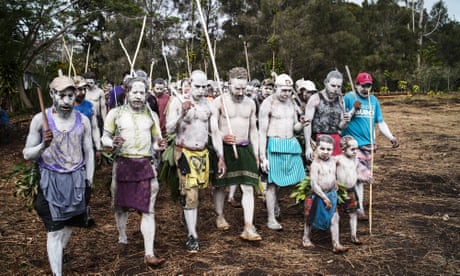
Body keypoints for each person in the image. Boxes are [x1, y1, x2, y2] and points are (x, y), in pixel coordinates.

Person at [23, 76, 95, 276]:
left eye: (70, 96)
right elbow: (26, 154)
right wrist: (42, 145)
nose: (66, 101)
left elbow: (89, 151)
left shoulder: (84, 121)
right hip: (51, 181)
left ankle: (60, 252)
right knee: (54, 230)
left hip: (77, 180)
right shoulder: (40, 120)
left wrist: (89, 179)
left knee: (71, 222)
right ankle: (57, 273)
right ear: (52, 95)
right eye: (61, 95)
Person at [101, 73, 167, 267]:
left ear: (146, 94)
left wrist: (159, 145)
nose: (138, 96)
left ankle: (149, 253)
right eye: (135, 92)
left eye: (142, 92)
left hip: (145, 165)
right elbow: (104, 137)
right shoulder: (116, 114)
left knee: (148, 210)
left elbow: (156, 142)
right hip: (123, 164)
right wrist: (111, 142)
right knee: (120, 206)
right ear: (127, 93)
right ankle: (122, 237)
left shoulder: (151, 116)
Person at [165, 70, 226, 253]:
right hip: (184, 152)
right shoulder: (177, 101)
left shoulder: (209, 105)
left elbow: (215, 132)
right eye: (196, 86)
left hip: (202, 154)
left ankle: (187, 213)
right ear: (189, 84)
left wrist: (220, 156)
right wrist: (182, 113)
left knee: (196, 192)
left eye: (203, 86)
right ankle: (193, 236)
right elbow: (168, 129)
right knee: (191, 194)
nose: (200, 90)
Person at [212, 67, 262, 241]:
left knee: (248, 186)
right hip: (225, 148)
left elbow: (254, 130)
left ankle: (248, 226)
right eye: (237, 88)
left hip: (244, 147)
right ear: (228, 85)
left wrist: (256, 153)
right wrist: (222, 141)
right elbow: (213, 130)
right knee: (220, 186)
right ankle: (219, 216)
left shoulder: (250, 103)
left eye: (243, 88)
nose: (240, 92)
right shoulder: (219, 102)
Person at [341, 72, 399, 219]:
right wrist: (353, 110)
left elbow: (380, 121)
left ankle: (356, 205)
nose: (366, 89)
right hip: (352, 144)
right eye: (363, 86)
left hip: (368, 144)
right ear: (356, 85)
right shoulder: (348, 97)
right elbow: (341, 119)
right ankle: (357, 207)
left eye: (369, 86)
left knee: (358, 178)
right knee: (357, 176)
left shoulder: (373, 100)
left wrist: (391, 137)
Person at [258, 73, 307, 230]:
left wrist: (301, 124)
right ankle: (271, 218)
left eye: (289, 90)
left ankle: (275, 203)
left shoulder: (292, 104)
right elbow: (262, 132)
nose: (286, 93)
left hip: (291, 145)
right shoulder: (268, 103)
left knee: (294, 179)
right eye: (283, 90)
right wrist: (262, 156)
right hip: (274, 144)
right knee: (272, 184)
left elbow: (295, 127)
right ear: (276, 88)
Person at [302, 135, 349, 253]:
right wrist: (324, 198)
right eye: (322, 149)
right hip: (318, 195)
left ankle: (336, 244)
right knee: (310, 217)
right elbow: (314, 184)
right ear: (316, 147)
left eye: (329, 149)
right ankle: (306, 238)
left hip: (331, 193)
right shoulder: (315, 164)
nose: (325, 152)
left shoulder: (333, 160)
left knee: (335, 218)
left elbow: (345, 161)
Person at [304, 70, 351, 160]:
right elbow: (307, 123)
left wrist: (346, 120)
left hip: (335, 140)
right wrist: (308, 146)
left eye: (338, 86)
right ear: (326, 83)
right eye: (333, 86)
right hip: (319, 139)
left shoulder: (341, 100)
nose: (336, 89)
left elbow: (341, 126)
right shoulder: (315, 99)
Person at [336, 135, 373, 244]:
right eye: (352, 149)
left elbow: (356, 175)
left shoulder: (355, 161)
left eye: (356, 149)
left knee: (353, 213)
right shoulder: (338, 160)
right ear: (343, 148)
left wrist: (366, 179)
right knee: (335, 214)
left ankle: (353, 236)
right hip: (339, 190)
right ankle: (335, 237)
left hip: (351, 190)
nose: (355, 151)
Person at [73, 76, 103, 164]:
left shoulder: (89, 106)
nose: (82, 92)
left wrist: (98, 148)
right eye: (79, 89)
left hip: (86, 146)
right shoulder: (66, 107)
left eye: (84, 89)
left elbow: (94, 128)